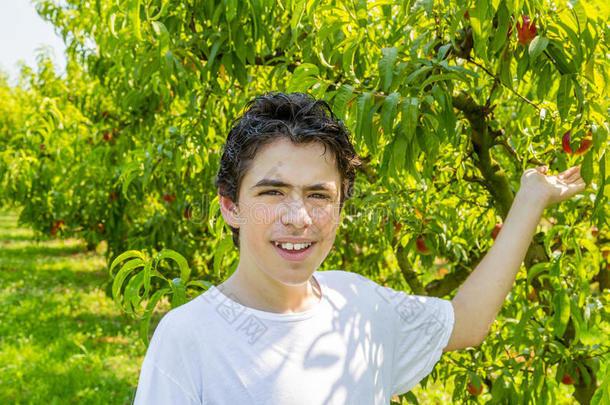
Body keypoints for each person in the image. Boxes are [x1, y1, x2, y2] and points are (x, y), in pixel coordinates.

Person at [133, 92, 585, 404]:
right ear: (230, 206)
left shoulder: (360, 304)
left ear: (341, 207)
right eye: (272, 192)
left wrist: (530, 198)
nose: (299, 217)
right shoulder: (188, 339)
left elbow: (465, 322)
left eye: (319, 195)